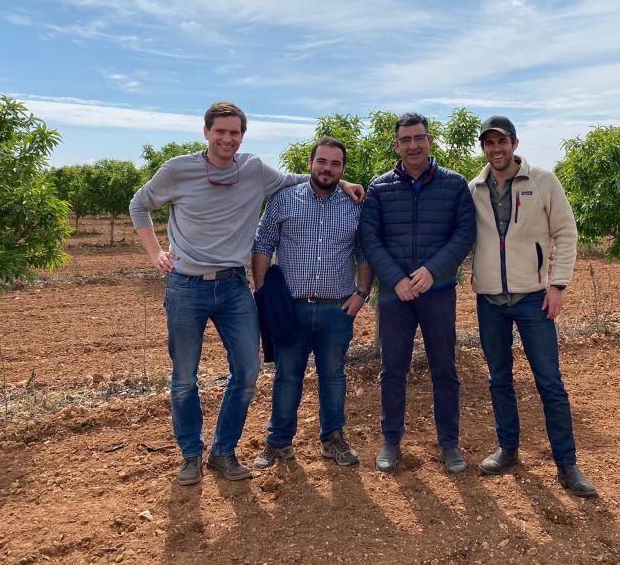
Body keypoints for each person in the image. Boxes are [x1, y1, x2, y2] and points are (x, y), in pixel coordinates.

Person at [129, 102, 363, 485]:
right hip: (187, 285)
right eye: (220, 131)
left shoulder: (253, 169)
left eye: (234, 132)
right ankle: (191, 453)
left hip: (234, 285)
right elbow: (139, 205)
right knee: (185, 377)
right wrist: (156, 253)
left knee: (248, 372)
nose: (227, 138)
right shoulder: (177, 169)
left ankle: (223, 451)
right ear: (206, 132)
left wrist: (346, 183)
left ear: (242, 136)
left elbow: (295, 180)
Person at [469, 115, 597, 497]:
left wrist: (557, 285)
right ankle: (508, 448)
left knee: (549, 382)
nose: (496, 149)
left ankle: (567, 464)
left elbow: (565, 232)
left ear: (515, 143)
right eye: (489, 143)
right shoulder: (474, 188)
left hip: (533, 299)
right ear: (484, 148)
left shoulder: (543, 181)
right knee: (499, 379)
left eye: (502, 142)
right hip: (490, 300)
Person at [359, 113, 476, 474]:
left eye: (418, 138)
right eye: (405, 139)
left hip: (437, 292)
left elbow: (464, 233)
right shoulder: (379, 188)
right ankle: (391, 442)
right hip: (395, 296)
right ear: (396, 145)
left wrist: (432, 270)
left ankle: (449, 445)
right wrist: (395, 279)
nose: (413, 145)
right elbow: (370, 238)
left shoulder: (454, 185)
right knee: (393, 369)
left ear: (430, 141)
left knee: (445, 368)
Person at [251, 137, 373, 469]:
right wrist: (263, 294)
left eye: (335, 164)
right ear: (310, 163)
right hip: (291, 309)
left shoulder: (356, 205)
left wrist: (362, 293)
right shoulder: (284, 199)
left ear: (343, 169)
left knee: (333, 375)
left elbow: (365, 252)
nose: (328, 169)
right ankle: (278, 443)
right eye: (322, 161)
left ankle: (333, 440)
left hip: (337, 308)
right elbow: (263, 244)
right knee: (287, 376)